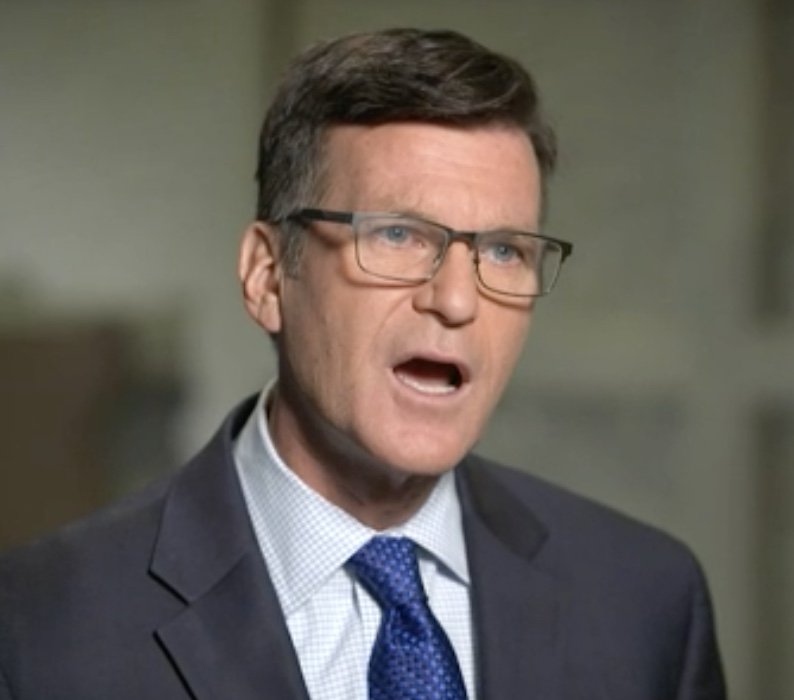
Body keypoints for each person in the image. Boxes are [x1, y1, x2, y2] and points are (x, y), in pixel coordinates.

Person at [0, 27, 725, 700]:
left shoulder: (647, 602)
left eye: (504, 250)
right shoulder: (37, 629)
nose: (457, 300)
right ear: (267, 276)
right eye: (398, 235)